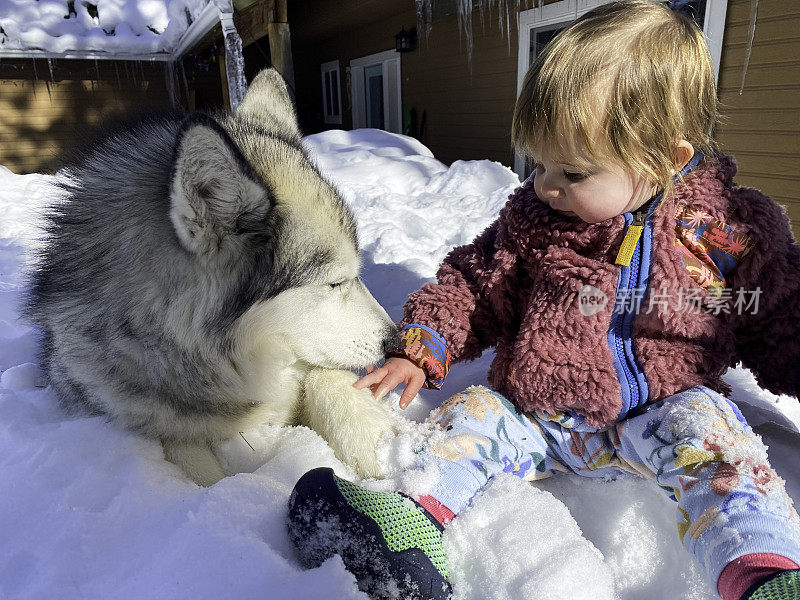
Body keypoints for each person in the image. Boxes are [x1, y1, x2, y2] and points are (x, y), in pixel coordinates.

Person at [286, 2, 800, 599]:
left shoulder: (731, 232)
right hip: (542, 414)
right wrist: (422, 346)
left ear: (667, 160)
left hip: (667, 412)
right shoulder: (535, 222)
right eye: (538, 163)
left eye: (575, 172)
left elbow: (782, 317)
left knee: (728, 455)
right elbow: (475, 286)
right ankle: (406, 526)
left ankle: (764, 576)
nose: (545, 185)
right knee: (472, 419)